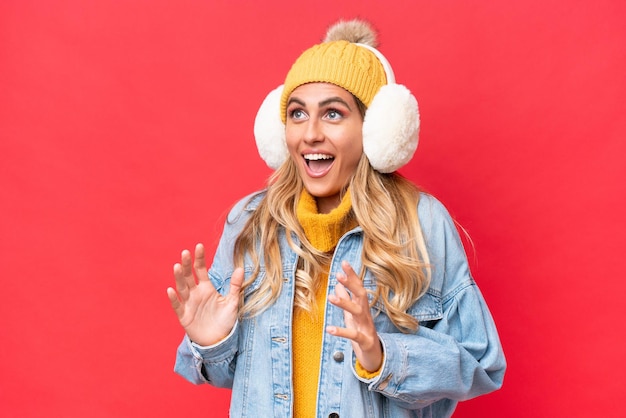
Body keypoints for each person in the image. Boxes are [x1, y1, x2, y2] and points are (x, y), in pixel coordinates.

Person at [167, 18, 506, 418]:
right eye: (296, 113)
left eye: (332, 114)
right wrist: (213, 342)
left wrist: (384, 356)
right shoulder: (250, 222)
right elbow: (227, 375)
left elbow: (481, 362)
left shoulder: (421, 222)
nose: (309, 133)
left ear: (375, 129)